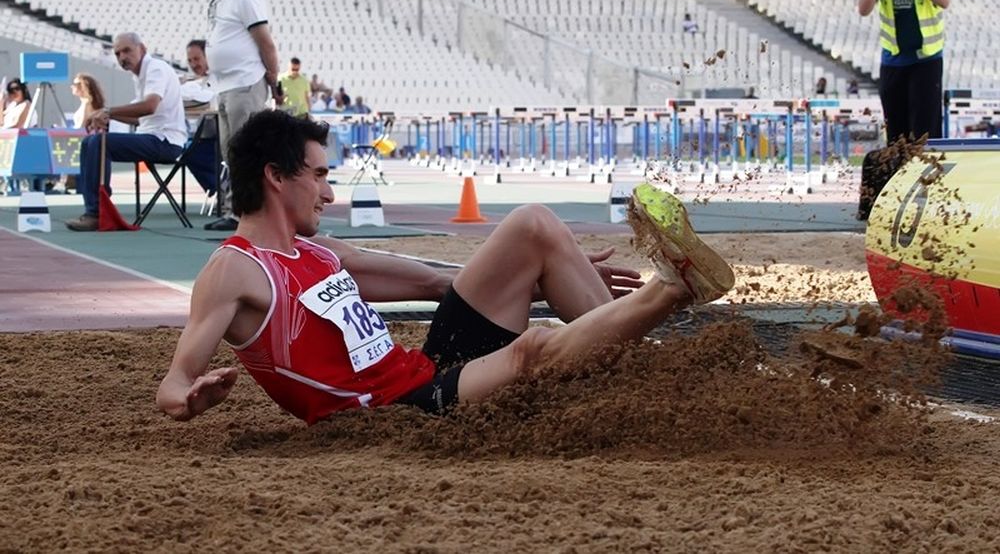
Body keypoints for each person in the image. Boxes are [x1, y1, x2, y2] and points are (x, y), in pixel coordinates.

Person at [155, 111, 735, 424]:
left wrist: (553, 270)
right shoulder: (233, 271)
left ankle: (642, 366)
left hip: (426, 369)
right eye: (321, 175)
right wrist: (189, 399)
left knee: (531, 225)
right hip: (392, 413)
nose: (329, 192)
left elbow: (437, 281)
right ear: (277, 178)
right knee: (530, 351)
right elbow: (173, 383)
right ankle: (670, 291)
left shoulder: (320, 253)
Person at [856, 0, 949, 222]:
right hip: (894, 62)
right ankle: (895, 199)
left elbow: (944, 0)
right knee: (895, 134)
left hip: (926, 61)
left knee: (925, 133)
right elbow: (863, 8)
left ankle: (929, 200)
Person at [64, 32, 187, 232]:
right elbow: (142, 119)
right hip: (152, 136)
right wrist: (107, 116)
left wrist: (108, 111)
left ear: (143, 49)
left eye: (127, 50)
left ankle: (95, 212)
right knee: (89, 142)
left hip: (166, 142)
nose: (122, 57)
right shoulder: (140, 76)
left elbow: (149, 106)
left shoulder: (155, 68)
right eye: (118, 54)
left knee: (97, 143)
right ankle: (93, 208)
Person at [203, 0, 282, 233]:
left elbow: (265, 41)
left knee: (244, 149)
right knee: (230, 152)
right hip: (226, 84)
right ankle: (237, 210)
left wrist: (273, 79)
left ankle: (248, 212)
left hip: (245, 82)